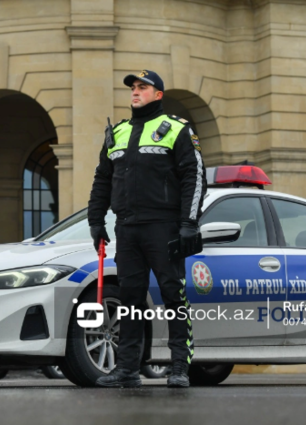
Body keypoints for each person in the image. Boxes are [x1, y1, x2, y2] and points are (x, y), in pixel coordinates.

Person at [87, 69, 207, 388]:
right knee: (130, 299)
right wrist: (95, 220)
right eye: (133, 88)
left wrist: (188, 224)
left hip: (164, 228)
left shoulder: (177, 129)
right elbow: (102, 179)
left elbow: (194, 177)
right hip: (127, 229)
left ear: (158, 95)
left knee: (173, 295)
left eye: (143, 87)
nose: (135, 92)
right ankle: (127, 368)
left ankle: (180, 366)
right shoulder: (118, 132)